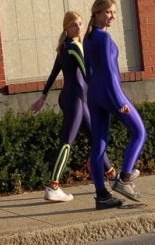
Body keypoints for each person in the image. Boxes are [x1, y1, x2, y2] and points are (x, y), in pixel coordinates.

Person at [31, 11, 123, 202]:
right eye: (74, 25)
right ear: (66, 27)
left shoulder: (64, 46)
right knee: (67, 142)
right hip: (75, 100)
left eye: (80, 24)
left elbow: (53, 73)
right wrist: (107, 93)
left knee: (95, 138)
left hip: (72, 98)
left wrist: (43, 96)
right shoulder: (74, 46)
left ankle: (113, 175)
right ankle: (53, 186)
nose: (79, 27)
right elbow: (87, 72)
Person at [83, 0, 147, 210]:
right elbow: (110, 73)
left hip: (94, 94)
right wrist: (119, 101)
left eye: (114, 12)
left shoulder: (88, 38)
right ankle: (125, 179)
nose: (112, 16)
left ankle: (102, 196)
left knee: (99, 144)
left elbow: (88, 71)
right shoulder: (103, 38)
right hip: (110, 93)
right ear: (97, 13)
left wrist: (94, 94)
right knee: (139, 132)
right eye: (109, 12)